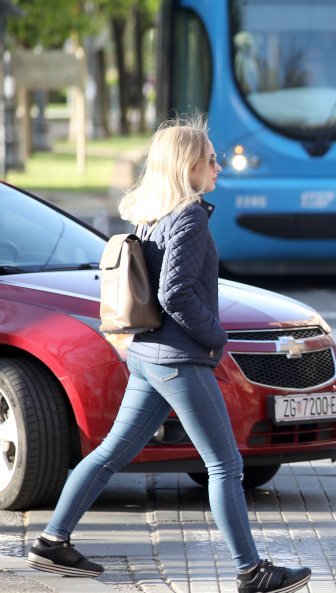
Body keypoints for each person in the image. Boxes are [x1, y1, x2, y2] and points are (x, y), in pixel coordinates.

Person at [25, 118, 311, 593]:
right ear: (188, 165)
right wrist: (216, 337)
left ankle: (53, 542)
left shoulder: (151, 214)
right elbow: (174, 292)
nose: (219, 166)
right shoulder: (190, 215)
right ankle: (251, 571)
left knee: (111, 452)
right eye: (211, 159)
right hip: (177, 358)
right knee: (225, 465)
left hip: (147, 353)